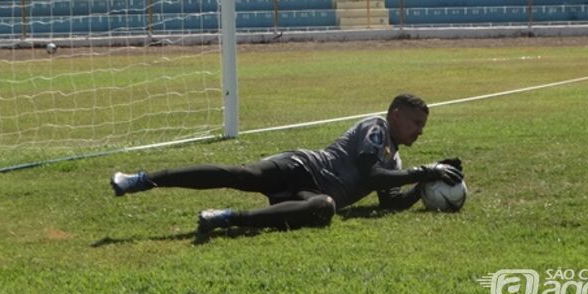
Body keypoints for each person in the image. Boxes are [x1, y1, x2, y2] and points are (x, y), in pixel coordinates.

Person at [110, 93, 463, 234]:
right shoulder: (376, 128)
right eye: (416, 123)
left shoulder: (395, 158)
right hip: (302, 166)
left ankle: (226, 218)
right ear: (396, 115)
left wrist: (420, 187)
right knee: (241, 175)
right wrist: (425, 172)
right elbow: (372, 175)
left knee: (324, 208)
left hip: (311, 191)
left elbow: (389, 199)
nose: (420, 132)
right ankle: (140, 179)